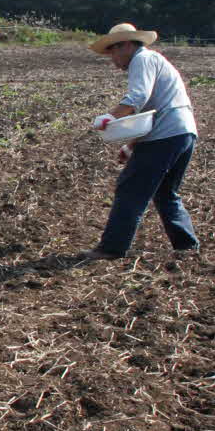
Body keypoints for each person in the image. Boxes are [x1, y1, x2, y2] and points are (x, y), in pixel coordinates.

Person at [74, 23, 199, 261]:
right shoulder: (154, 60)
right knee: (165, 192)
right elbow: (153, 113)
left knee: (130, 189)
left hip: (165, 135)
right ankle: (187, 246)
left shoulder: (142, 59)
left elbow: (138, 97)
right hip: (183, 133)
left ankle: (112, 248)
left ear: (127, 45)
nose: (112, 58)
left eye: (113, 51)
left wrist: (110, 117)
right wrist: (131, 145)